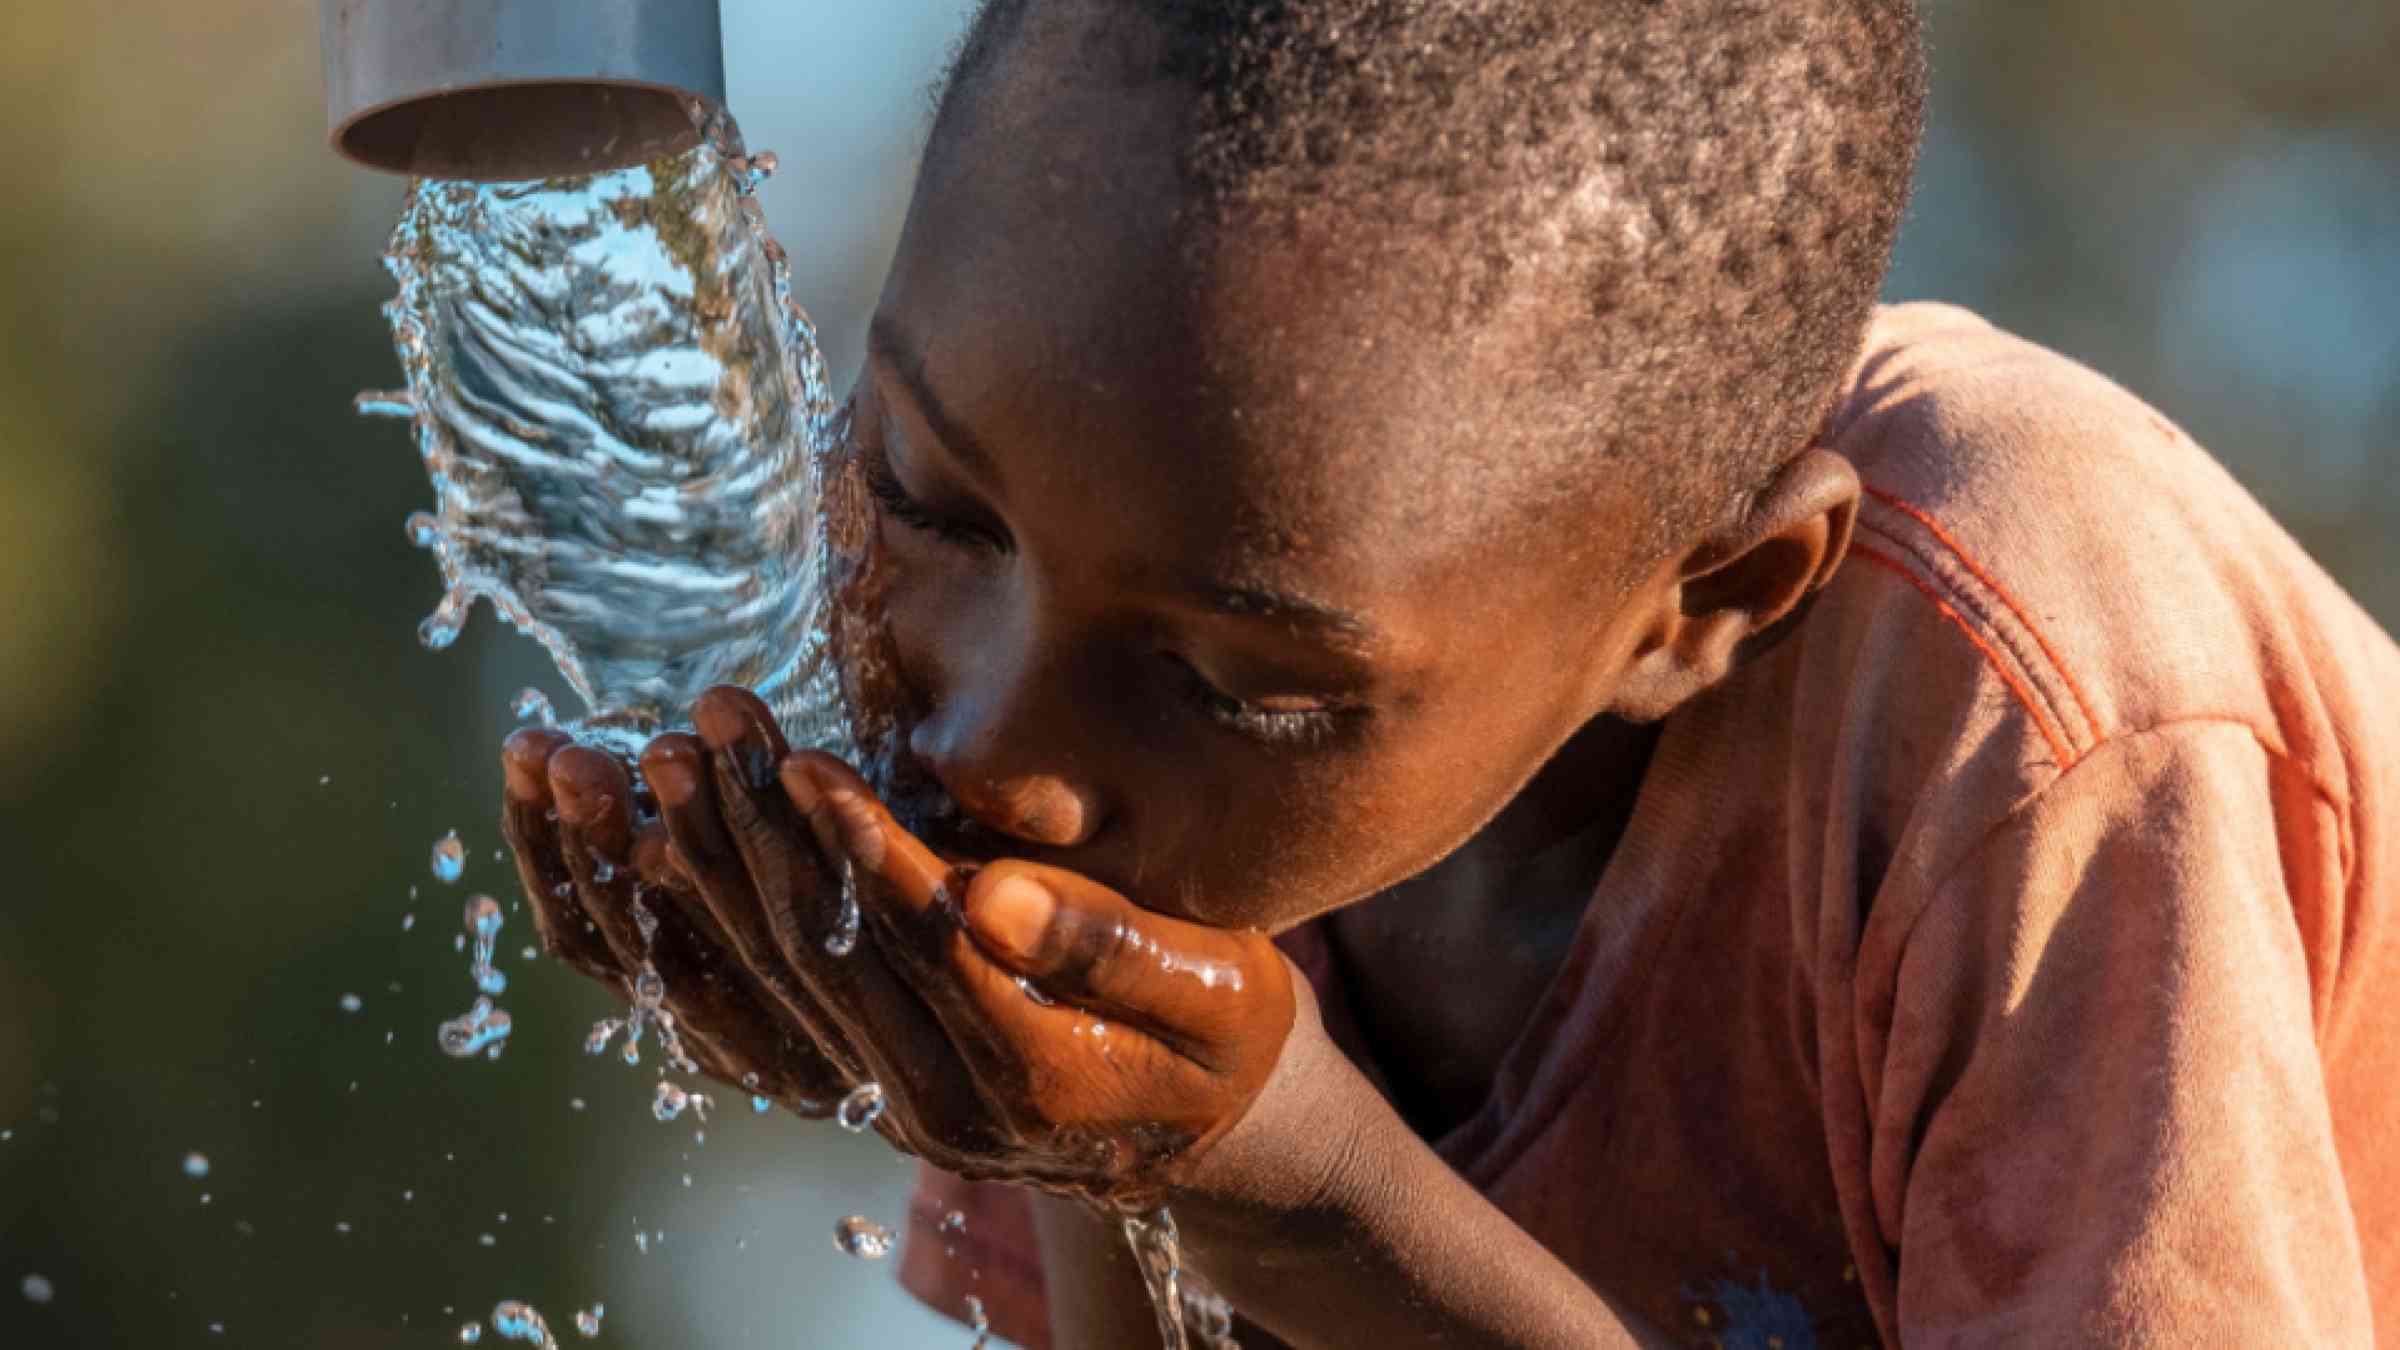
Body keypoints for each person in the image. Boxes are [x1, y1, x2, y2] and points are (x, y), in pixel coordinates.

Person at [498, 1, 2400, 1345]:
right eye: (930, 497)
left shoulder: (2038, 693)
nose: (1003, 750)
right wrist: (1071, 1151)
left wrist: (1297, 1191)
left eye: (1244, 686)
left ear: (1701, 608)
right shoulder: (1204, 763)